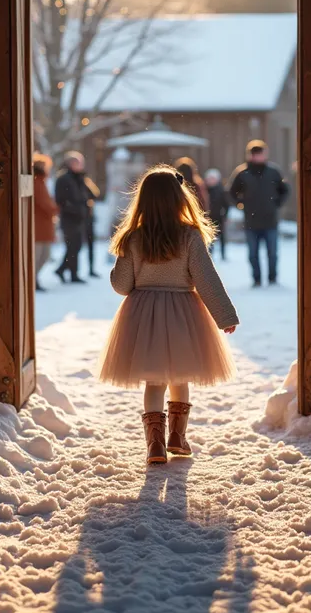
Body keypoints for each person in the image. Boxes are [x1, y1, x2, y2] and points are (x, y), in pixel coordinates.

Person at [97, 165, 239, 465]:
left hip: (143, 314)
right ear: (180, 198)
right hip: (182, 311)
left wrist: (124, 263)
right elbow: (206, 279)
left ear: (143, 201)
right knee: (180, 374)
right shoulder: (189, 236)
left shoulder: (133, 238)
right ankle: (178, 437)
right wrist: (224, 315)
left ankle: (155, 446)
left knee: (154, 380)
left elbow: (122, 286)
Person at [229, 140, 290, 288]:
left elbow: (285, 190)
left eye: (260, 154)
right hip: (251, 221)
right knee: (253, 254)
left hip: (270, 220)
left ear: (265, 154)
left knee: (272, 253)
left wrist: (277, 204)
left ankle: (272, 278)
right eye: (255, 154)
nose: (258, 157)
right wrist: (240, 204)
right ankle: (256, 279)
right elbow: (231, 192)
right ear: (250, 155)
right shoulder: (242, 173)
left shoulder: (273, 172)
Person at [54, 151, 90, 284]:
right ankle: (71, 273)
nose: (80, 165)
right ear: (70, 164)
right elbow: (61, 200)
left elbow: (89, 194)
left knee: (76, 246)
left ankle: (63, 269)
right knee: (73, 246)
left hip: (78, 218)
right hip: (69, 218)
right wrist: (75, 210)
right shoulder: (63, 179)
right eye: (77, 163)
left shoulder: (79, 178)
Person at [33, 154, 59, 292]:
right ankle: (33, 280)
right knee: (39, 256)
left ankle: (34, 279)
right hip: (39, 225)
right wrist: (56, 209)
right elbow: (45, 203)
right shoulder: (37, 182)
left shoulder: (41, 181)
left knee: (44, 255)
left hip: (43, 225)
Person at [205, 168, 230, 261]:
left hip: (219, 217)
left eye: (213, 178)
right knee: (209, 238)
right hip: (208, 218)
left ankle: (223, 255)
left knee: (222, 236)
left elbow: (226, 205)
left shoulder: (222, 191)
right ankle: (210, 254)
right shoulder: (205, 191)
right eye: (209, 179)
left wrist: (225, 216)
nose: (211, 181)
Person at [84, 175, 101, 278]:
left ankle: (91, 268)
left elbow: (95, 194)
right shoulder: (70, 180)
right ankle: (64, 268)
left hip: (87, 218)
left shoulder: (84, 181)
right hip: (80, 218)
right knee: (74, 246)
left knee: (90, 245)